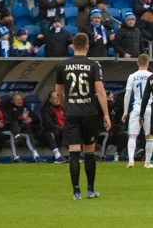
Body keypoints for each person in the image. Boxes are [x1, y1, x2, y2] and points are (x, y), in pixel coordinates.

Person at [54, 33, 111, 200]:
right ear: (87, 46)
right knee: (89, 151)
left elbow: (58, 92)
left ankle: (76, 191)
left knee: (74, 152)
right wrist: (106, 114)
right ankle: (91, 190)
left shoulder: (62, 65)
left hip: (71, 112)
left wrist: (66, 106)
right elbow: (100, 90)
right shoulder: (94, 65)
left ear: (72, 46)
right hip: (89, 113)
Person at [122, 53, 153, 169]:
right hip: (149, 107)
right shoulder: (151, 76)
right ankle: (147, 162)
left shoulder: (132, 76)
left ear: (137, 63)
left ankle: (131, 161)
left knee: (132, 135)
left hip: (136, 107)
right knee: (149, 136)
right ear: (148, 63)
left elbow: (127, 94)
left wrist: (125, 112)